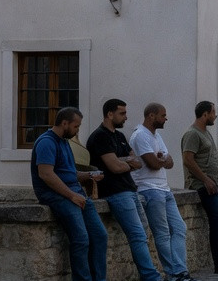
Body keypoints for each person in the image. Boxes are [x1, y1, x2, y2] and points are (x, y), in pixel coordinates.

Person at [86, 99, 161, 281]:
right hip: (116, 193)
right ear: (110, 114)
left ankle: (148, 275)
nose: (126, 117)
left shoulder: (119, 136)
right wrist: (124, 162)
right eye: (122, 113)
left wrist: (122, 161)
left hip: (130, 190)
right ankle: (151, 277)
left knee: (142, 234)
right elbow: (115, 167)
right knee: (137, 235)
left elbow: (136, 161)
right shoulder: (100, 136)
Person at [31, 107, 107, 281]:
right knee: (81, 238)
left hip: (76, 192)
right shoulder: (46, 142)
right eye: (76, 126)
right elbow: (46, 174)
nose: (77, 130)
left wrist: (89, 176)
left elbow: (70, 174)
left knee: (100, 235)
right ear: (64, 123)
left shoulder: (65, 142)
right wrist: (71, 196)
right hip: (56, 195)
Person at [131, 103, 198, 281]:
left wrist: (161, 160)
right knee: (162, 233)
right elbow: (153, 164)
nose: (166, 118)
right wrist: (160, 160)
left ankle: (180, 270)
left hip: (164, 189)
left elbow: (170, 162)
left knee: (179, 228)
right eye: (163, 115)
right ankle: (173, 273)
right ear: (151, 116)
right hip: (149, 189)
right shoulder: (140, 136)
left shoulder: (157, 136)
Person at [182, 101, 218, 275]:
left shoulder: (206, 133)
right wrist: (205, 179)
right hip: (204, 185)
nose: (215, 116)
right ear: (205, 114)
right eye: (214, 112)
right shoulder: (192, 134)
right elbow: (188, 160)